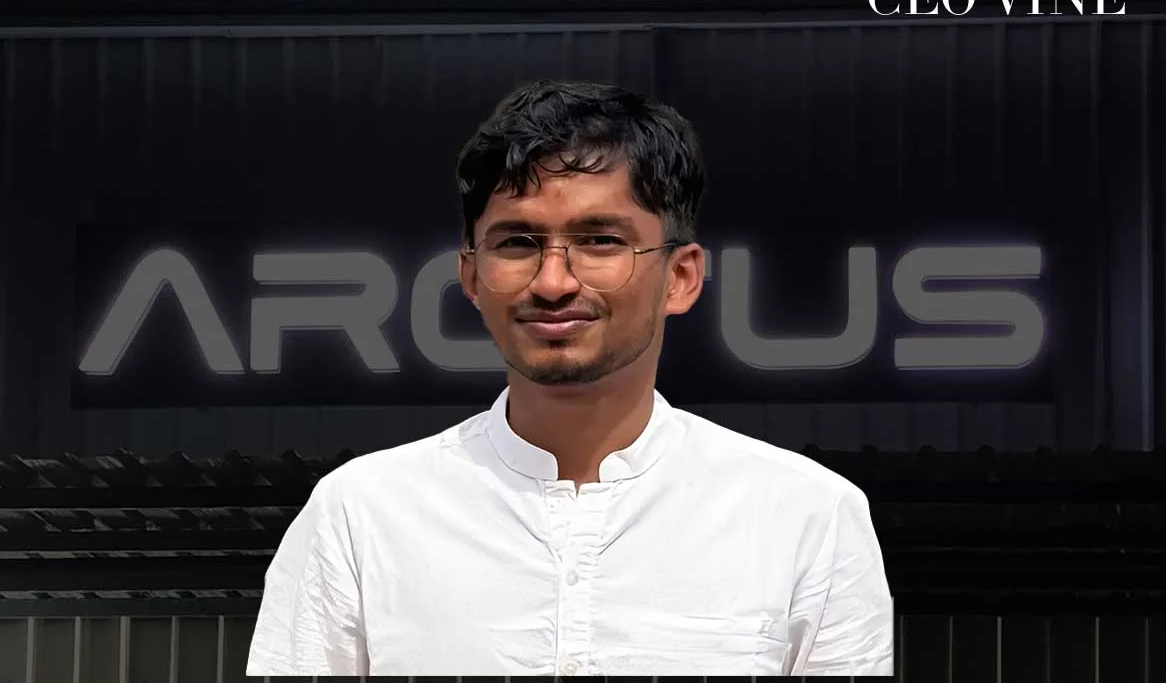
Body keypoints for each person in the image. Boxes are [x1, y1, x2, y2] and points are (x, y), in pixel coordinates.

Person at [246, 79, 894, 676]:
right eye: (516, 243)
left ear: (681, 277)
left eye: (600, 241)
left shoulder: (805, 517)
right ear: (471, 275)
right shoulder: (362, 515)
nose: (553, 281)